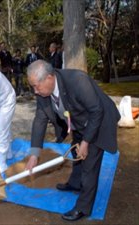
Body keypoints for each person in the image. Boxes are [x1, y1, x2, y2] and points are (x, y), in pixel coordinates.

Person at [25, 60, 120, 221]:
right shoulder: (43, 92)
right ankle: (75, 183)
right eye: (32, 87)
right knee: (76, 151)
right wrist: (34, 154)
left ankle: (83, 208)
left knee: (89, 163)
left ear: (49, 78)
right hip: (78, 120)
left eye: (36, 86)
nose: (35, 91)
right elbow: (39, 121)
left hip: (99, 120)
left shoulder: (77, 80)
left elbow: (97, 111)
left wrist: (86, 142)